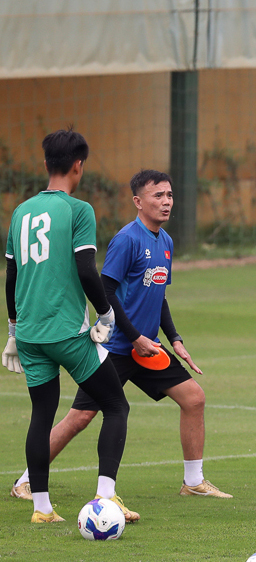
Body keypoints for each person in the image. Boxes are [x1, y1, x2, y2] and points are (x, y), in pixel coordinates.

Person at [9, 170, 232, 517]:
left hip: (147, 347)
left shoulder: (167, 242)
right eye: (157, 195)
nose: (166, 201)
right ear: (138, 202)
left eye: (170, 195)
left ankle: (193, 481)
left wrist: (174, 339)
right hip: (116, 347)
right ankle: (25, 481)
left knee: (194, 399)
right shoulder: (127, 239)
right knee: (80, 417)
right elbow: (107, 291)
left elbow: (158, 296)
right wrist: (134, 336)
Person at [3, 129, 130, 523]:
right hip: (68, 333)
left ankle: (42, 509)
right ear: (79, 165)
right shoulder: (79, 210)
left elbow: (11, 275)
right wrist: (106, 313)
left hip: (28, 335)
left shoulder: (21, 211)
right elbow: (86, 270)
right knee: (115, 405)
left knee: (42, 414)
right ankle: (106, 500)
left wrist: (11, 329)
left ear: (45, 165)